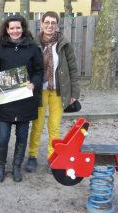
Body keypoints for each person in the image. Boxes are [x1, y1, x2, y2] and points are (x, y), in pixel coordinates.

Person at [25, 11, 80, 173]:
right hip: (39, 91)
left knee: (54, 126)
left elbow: (73, 70)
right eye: (47, 22)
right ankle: (33, 156)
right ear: (41, 23)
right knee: (37, 125)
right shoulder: (34, 44)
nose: (50, 26)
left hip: (58, 91)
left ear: (57, 25)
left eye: (53, 23)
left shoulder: (64, 44)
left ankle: (53, 157)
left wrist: (74, 93)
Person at [0, 15, 43, 183]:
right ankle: (0, 167)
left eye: (18, 28)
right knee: (3, 137)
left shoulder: (33, 48)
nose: (15, 31)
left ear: (23, 28)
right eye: (11, 28)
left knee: (22, 136)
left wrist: (34, 83)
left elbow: (38, 71)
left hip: (25, 100)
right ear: (7, 30)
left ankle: (16, 167)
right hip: (5, 100)